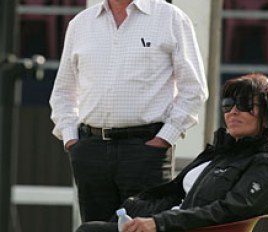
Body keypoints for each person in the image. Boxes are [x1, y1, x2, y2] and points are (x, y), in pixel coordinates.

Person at [49, 0, 208, 223]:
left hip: (145, 149)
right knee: (95, 229)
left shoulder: (171, 18)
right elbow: (63, 92)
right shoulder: (81, 24)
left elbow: (194, 89)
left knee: (144, 228)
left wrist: (164, 138)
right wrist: (72, 141)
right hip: (91, 150)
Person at [75, 73, 268, 232]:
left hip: (180, 228)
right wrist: (134, 207)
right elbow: (174, 193)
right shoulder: (220, 153)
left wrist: (158, 223)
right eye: (228, 104)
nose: (233, 111)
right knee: (96, 226)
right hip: (167, 223)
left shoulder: (267, 164)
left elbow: (230, 211)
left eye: (245, 104)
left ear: (267, 115)